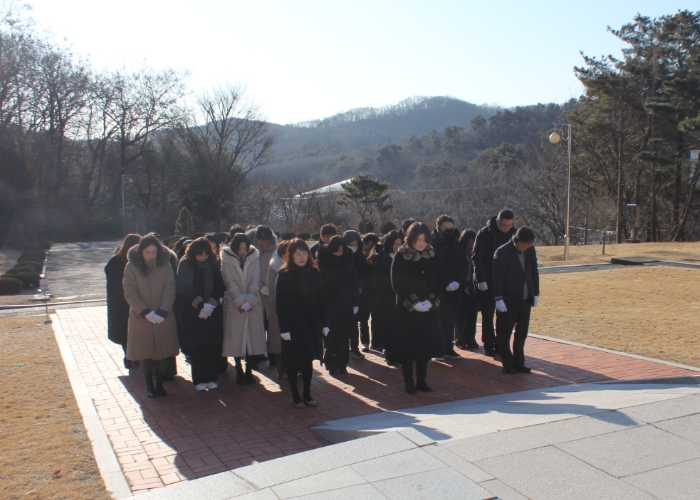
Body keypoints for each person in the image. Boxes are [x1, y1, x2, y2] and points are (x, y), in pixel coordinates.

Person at [122, 234, 179, 399]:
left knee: (161, 352)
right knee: (145, 353)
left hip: (162, 315)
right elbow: (130, 292)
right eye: (147, 252)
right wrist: (145, 312)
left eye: (154, 252)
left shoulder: (165, 265)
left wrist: (163, 310)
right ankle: (149, 385)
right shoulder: (131, 267)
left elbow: (170, 288)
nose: (150, 255)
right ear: (141, 251)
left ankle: (160, 383)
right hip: (141, 318)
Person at [275, 239, 327, 408]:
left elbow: (321, 299)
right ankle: (295, 395)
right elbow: (280, 305)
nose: (302, 257)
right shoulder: (284, 275)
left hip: (310, 323)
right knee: (292, 360)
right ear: (290, 255)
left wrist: (324, 322)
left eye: (304, 253)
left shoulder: (314, 272)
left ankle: (307, 393)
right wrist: (284, 329)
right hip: (292, 325)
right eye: (298, 254)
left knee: (308, 359)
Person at [391, 223, 442, 394]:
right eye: (418, 239)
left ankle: (421, 380)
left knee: (424, 346)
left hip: (427, 308)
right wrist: (413, 302)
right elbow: (397, 282)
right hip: (407, 310)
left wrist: (431, 300)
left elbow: (439, 280)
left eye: (424, 240)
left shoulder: (433, 255)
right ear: (410, 239)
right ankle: (408, 381)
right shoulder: (401, 256)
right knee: (408, 347)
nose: (421, 243)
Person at [175, 238, 225, 391]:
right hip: (192, 312)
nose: (203, 257)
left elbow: (219, 285)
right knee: (196, 348)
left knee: (211, 346)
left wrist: (211, 303)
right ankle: (198, 380)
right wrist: (200, 305)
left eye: (205, 254)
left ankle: (211, 378)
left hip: (212, 311)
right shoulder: (185, 264)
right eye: (199, 255)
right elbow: (183, 289)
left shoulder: (214, 264)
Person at [492, 227, 540, 374]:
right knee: (504, 334)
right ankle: (508, 363)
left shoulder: (530, 250)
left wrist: (535, 292)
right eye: (523, 245)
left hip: (525, 299)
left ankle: (519, 362)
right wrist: (498, 298)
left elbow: (534, 271)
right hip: (508, 300)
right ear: (516, 240)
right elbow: (497, 277)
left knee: (521, 334)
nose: (525, 248)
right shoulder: (502, 252)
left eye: (528, 245)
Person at [221, 233, 266, 384]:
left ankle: (249, 370)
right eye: (239, 249)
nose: (241, 252)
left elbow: (255, 278)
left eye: (244, 249)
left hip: (252, 303)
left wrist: (250, 299)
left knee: (252, 339)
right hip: (234, 304)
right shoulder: (226, 257)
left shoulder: (253, 256)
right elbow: (228, 280)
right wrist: (240, 299)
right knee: (236, 339)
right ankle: (239, 370)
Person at [472, 209, 517, 356]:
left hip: (506, 282)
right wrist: (481, 279)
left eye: (509, 225)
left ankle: (501, 344)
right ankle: (488, 343)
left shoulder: (514, 234)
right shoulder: (484, 233)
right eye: (504, 225)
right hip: (488, 281)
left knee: (504, 316)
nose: (506, 228)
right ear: (497, 221)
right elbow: (477, 257)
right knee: (488, 314)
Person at [317, 235, 359, 374]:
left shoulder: (347, 261)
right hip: (328, 304)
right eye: (336, 251)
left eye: (341, 251)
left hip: (345, 304)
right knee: (330, 337)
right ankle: (330, 364)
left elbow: (354, 282)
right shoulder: (322, 262)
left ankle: (342, 363)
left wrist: (355, 303)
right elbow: (319, 286)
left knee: (343, 337)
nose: (339, 254)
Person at [431, 215, 467, 361]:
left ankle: (448, 348)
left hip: (454, 289)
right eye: (446, 229)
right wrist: (445, 283)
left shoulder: (456, 245)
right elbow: (434, 268)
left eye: (451, 229)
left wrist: (458, 282)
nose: (449, 232)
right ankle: (437, 349)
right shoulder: (431, 245)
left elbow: (464, 264)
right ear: (439, 228)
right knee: (437, 320)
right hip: (438, 289)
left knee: (450, 320)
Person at [105, 233, 142, 369]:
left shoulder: (115, 261)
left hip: (119, 302)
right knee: (135, 329)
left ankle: (129, 356)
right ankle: (135, 356)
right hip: (132, 301)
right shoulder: (136, 262)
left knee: (124, 331)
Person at [369, 230, 403, 365]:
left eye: (400, 244)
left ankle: (398, 352)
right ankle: (389, 352)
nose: (397, 247)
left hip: (400, 297)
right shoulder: (379, 257)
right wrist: (395, 286)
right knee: (387, 327)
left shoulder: (404, 256)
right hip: (385, 297)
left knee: (399, 326)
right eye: (395, 244)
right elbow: (378, 278)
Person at [246, 225, 278, 364]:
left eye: (266, 241)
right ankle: (255, 357)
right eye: (261, 241)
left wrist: (270, 288)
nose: (264, 244)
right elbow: (248, 273)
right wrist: (260, 287)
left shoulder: (276, 251)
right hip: (255, 294)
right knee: (256, 327)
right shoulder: (249, 252)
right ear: (255, 239)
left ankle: (273, 356)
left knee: (273, 327)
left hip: (271, 294)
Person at [266, 240, 290, 379]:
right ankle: (282, 369)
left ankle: (294, 367)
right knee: (279, 340)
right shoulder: (274, 267)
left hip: (294, 310)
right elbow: (272, 290)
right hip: (278, 308)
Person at [343, 230, 369, 358]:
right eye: (351, 245)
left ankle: (354, 348)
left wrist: (360, 286)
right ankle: (344, 348)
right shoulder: (342, 257)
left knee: (357, 322)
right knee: (346, 323)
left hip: (359, 294)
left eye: (355, 244)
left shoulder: (361, 257)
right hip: (345, 295)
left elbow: (365, 273)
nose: (353, 247)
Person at [456, 230, 479, 349]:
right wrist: (463, 286)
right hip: (462, 288)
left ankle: (471, 339)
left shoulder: (476, 253)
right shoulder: (460, 254)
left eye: (473, 242)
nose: (471, 245)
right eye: (469, 243)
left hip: (474, 288)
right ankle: (460, 339)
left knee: (472, 316)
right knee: (461, 316)